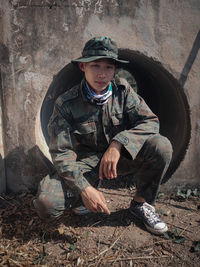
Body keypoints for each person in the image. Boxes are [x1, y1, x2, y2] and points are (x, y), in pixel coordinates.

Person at [33, 36, 173, 235]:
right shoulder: (66, 103)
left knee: (161, 146)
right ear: (83, 67)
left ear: (115, 69)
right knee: (46, 204)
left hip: (120, 159)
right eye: (95, 65)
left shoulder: (123, 92)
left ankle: (141, 205)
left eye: (108, 67)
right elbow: (61, 153)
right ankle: (87, 190)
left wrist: (118, 144)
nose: (101, 74)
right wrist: (83, 189)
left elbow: (150, 122)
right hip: (85, 165)